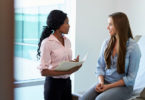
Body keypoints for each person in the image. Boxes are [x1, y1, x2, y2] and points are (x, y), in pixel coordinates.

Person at [81, 12, 141, 100]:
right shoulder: (106, 43)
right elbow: (100, 67)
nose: (107, 27)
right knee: (84, 98)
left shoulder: (133, 47)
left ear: (119, 26)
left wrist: (108, 87)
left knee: (100, 99)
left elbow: (131, 78)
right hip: (105, 81)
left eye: (110, 24)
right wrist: (101, 82)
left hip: (124, 87)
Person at [37, 10, 81, 100]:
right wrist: (67, 72)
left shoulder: (67, 41)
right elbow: (43, 71)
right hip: (53, 85)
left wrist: (73, 63)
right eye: (66, 23)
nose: (69, 26)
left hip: (67, 83)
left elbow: (62, 63)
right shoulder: (47, 43)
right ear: (58, 24)